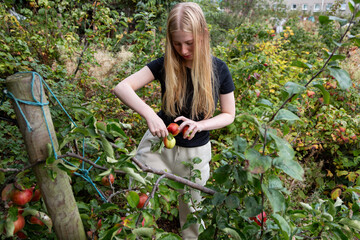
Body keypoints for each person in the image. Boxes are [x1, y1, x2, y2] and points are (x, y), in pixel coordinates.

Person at [113, 2, 235, 239]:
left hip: (195, 154)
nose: (183, 49)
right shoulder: (165, 64)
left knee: (193, 220)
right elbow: (122, 87)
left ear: (203, 35)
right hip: (158, 146)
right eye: (176, 43)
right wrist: (150, 115)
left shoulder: (219, 69)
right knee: (139, 204)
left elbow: (229, 114)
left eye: (189, 42)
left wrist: (200, 125)